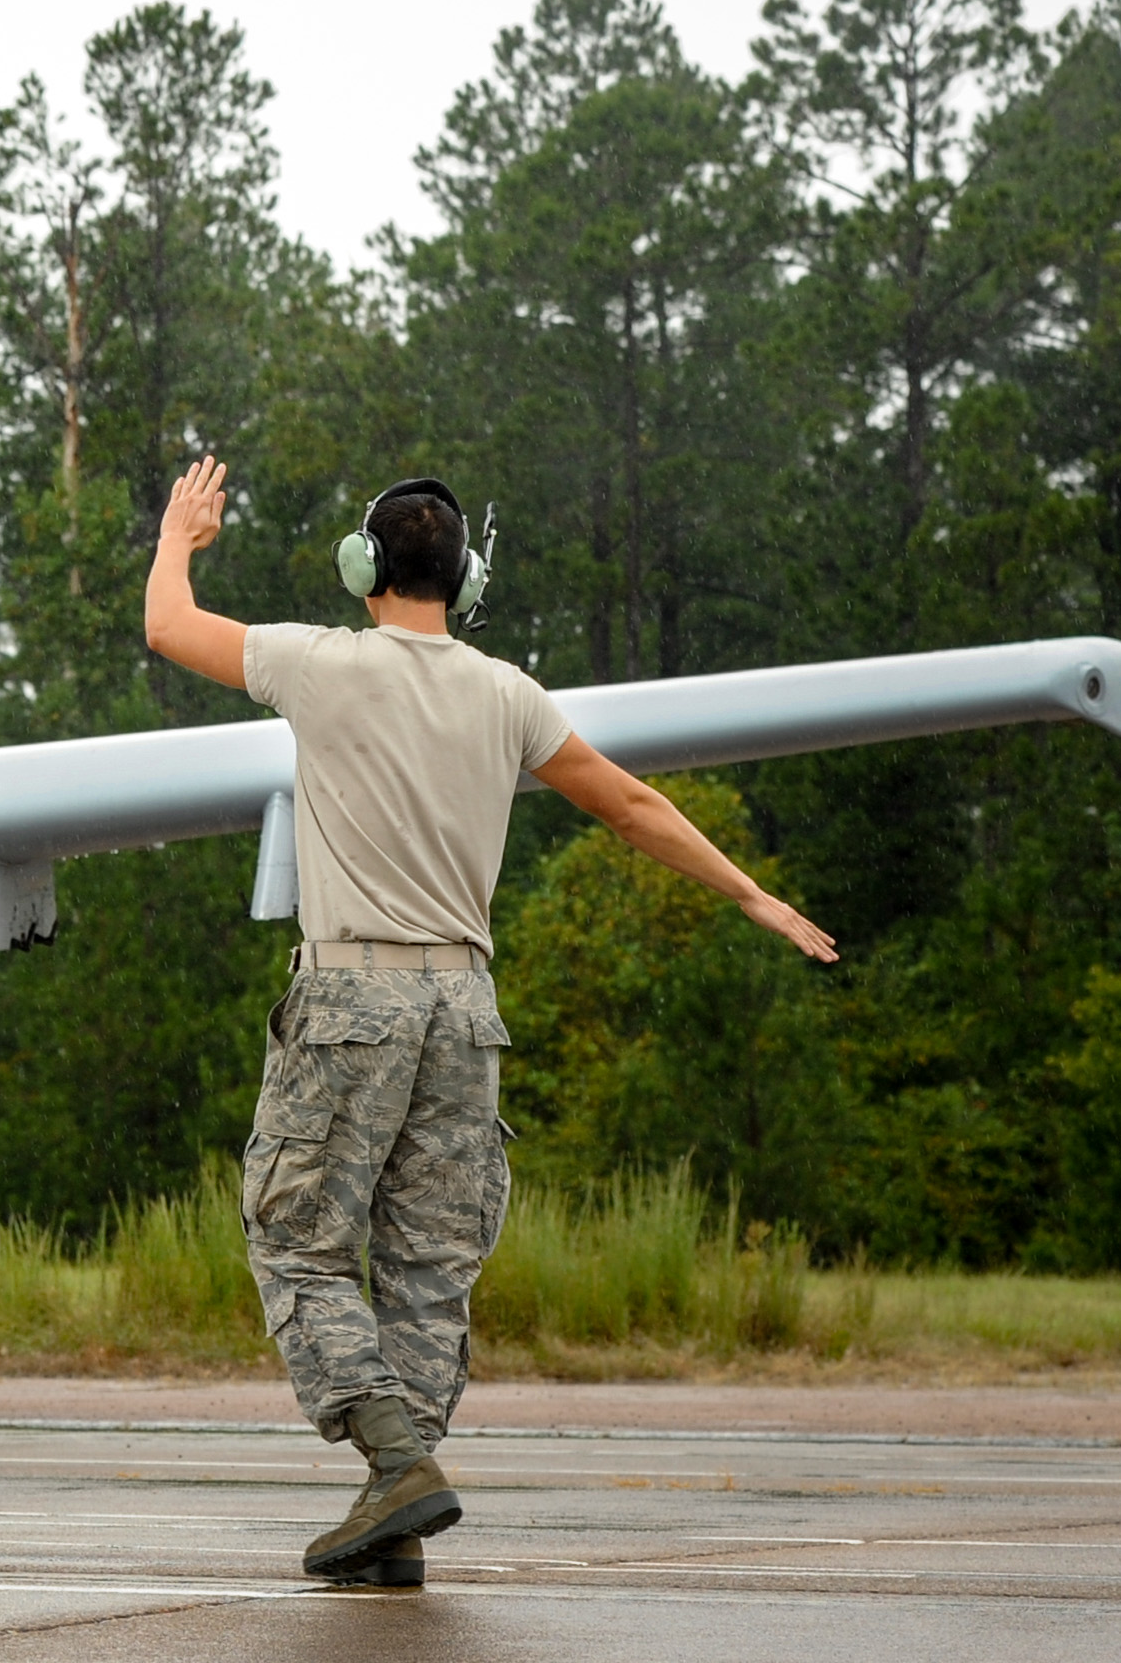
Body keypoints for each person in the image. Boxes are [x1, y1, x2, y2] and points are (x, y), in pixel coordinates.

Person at [142, 457, 837, 1585]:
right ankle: (394, 1524)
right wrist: (750, 893)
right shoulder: (506, 692)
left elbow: (167, 625)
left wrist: (181, 531)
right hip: (466, 1008)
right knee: (428, 1267)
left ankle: (392, 1459)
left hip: (352, 995)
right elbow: (630, 802)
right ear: (462, 581)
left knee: (298, 1242)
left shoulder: (318, 665)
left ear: (363, 569)